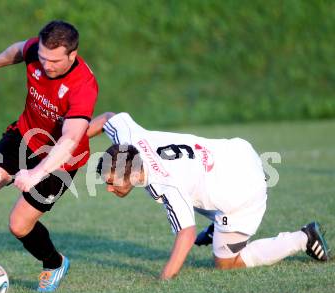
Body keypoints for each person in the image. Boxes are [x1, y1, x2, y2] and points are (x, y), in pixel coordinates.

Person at [0, 20, 98, 292]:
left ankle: (54, 263)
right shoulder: (37, 51)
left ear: (72, 55)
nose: (46, 65)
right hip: (25, 134)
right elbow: (18, 50)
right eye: (43, 58)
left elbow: (69, 139)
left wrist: (36, 174)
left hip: (59, 159)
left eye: (54, 61)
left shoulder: (83, 86)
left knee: (19, 225)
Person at [87, 112, 329, 280]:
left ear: (131, 173)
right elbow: (109, 118)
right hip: (237, 151)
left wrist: (164, 279)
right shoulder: (130, 140)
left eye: (111, 182)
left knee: (226, 263)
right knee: (195, 189)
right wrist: (72, 140)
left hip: (244, 192)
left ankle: (304, 238)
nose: (109, 188)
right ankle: (217, 226)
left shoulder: (164, 184)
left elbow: (186, 234)